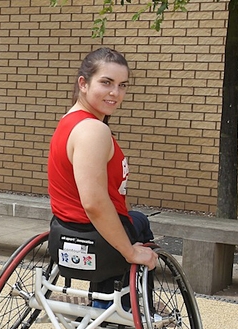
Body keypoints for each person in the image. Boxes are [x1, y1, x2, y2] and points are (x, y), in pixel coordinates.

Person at [47, 47, 157, 308]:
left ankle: (104, 301)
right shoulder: (93, 130)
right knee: (139, 223)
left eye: (122, 85)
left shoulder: (68, 122)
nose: (115, 93)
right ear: (83, 84)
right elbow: (94, 203)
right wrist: (131, 252)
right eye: (106, 82)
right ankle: (139, 310)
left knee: (132, 220)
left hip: (62, 232)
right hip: (97, 240)